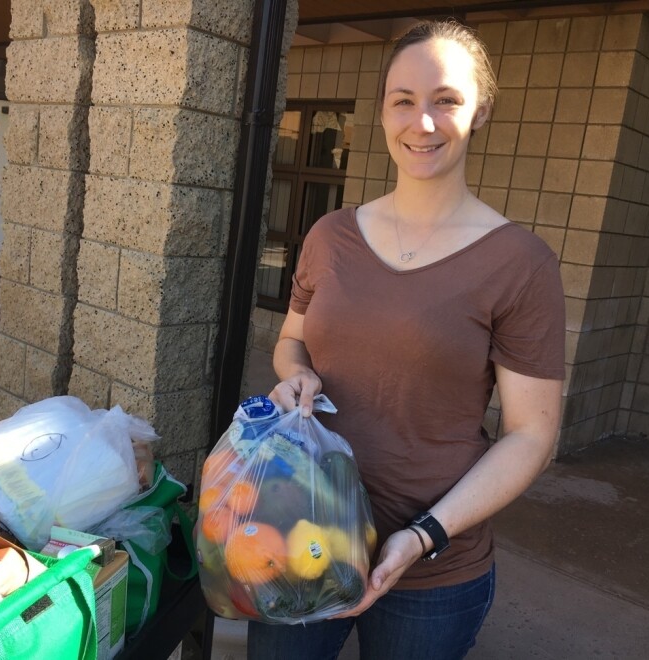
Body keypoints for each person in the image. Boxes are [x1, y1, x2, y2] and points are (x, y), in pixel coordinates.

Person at [250, 19, 566, 660]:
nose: (422, 123)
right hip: (300, 535)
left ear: (479, 114)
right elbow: (292, 344)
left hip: (432, 571)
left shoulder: (521, 263)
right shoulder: (330, 235)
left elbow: (532, 435)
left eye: (446, 100)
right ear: (384, 111)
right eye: (404, 100)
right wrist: (296, 373)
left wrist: (424, 535)